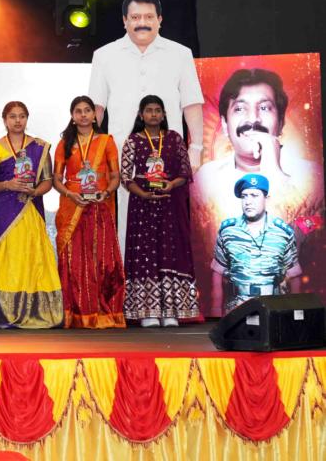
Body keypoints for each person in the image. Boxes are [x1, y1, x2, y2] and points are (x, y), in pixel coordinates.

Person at [88, 0, 205, 258]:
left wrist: (196, 148)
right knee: (127, 215)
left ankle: (169, 276)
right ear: (124, 21)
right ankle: (129, 276)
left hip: (170, 152)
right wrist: (92, 151)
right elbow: (97, 107)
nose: (142, 22)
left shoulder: (180, 54)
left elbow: (191, 103)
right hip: (123, 151)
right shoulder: (104, 55)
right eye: (135, 17)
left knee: (171, 214)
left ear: (160, 20)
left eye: (149, 17)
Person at [194, 68, 324, 298]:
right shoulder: (205, 180)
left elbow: (304, 250)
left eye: (264, 108)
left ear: (281, 122)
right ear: (224, 124)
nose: (253, 119)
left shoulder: (313, 177)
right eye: (240, 108)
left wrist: (273, 171)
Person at [0, 102, 63, 329]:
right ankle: (2, 312)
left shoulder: (39, 147)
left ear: (27, 119)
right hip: (3, 214)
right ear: (4, 120)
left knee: (33, 257)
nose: (18, 120)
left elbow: (47, 180)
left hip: (31, 210)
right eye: (12, 116)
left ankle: (36, 312)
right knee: (7, 259)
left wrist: (35, 192)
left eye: (22, 116)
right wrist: (7, 184)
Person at [120, 95, 200, 327]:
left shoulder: (174, 139)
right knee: (145, 254)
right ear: (141, 115)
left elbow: (185, 172)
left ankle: (171, 311)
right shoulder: (133, 141)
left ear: (164, 114)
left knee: (170, 252)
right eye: (149, 110)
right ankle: (147, 312)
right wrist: (143, 194)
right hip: (142, 207)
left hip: (170, 205)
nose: (153, 114)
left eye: (157, 110)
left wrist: (171, 184)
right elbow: (125, 176)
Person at [52, 96, 126, 329]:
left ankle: (103, 312)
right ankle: (74, 313)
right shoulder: (65, 144)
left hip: (100, 207)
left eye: (87, 110)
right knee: (73, 262)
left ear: (95, 115)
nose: (83, 115)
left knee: (102, 261)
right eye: (78, 111)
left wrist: (107, 192)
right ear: (72, 116)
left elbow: (115, 177)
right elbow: (56, 179)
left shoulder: (106, 141)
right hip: (73, 207)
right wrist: (70, 194)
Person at [211, 174, 301, 314]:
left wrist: (297, 312)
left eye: (254, 195)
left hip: (273, 307)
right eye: (244, 196)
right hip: (236, 308)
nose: (248, 202)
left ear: (266, 198)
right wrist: (216, 309)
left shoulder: (282, 232)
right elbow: (218, 270)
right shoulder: (228, 231)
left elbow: (294, 274)